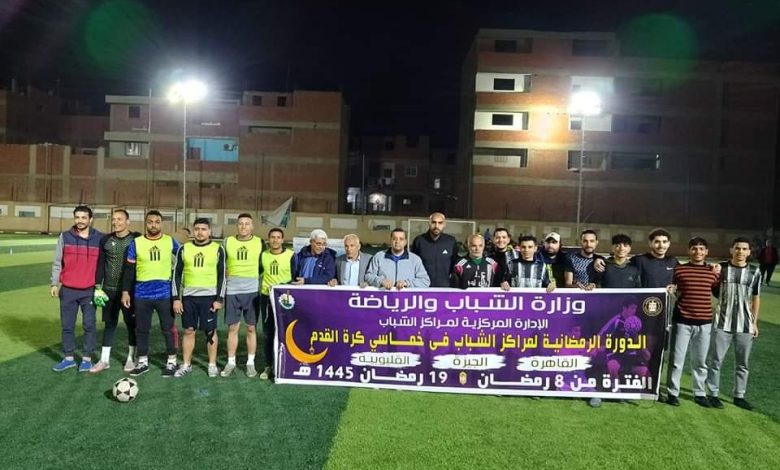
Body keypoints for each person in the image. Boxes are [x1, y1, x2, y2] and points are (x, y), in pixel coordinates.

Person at [705, 237, 762, 411]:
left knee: (742, 363)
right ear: (731, 250)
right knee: (715, 361)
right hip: (722, 322)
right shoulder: (721, 268)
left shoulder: (755, 271)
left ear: (749, 252)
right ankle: (712, 394)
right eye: (737, 248)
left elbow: (756, 298)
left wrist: (755, 323)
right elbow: (709, 283)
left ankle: (739, 396)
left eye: (744, 249)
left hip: (745, 325)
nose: (740, 252)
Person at [121, 210, 180, 376]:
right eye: (150, 222)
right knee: (141, 329)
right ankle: (143, 362)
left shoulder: (170, 241)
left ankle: (172, 362)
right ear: (145, 223)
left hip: (164, 293)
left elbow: (184, 258)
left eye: (157, 222)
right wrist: (125, 291)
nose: (153, 225)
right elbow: (129, 269)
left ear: (161, 223)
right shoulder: (136, 243)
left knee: (168, 328)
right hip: (142, 294)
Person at [665, 237, 719, 407]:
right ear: (689, 251)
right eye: (694, 248)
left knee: (700, 361)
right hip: (682, 321)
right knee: (676, 360)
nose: (698, 252)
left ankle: (699, 393)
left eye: (701, 249)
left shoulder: (712, 271)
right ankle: (673, 393)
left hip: (704, 322)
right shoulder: (679, 270)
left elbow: (718, 293)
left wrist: (719, 270)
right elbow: (672, 289)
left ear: (706, 252)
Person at [50, 205, 103, 372]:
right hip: (68, 290)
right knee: (67, 326)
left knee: (89, 325)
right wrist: (54, 283)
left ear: (90, 219)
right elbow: (57, 261)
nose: (80, 221)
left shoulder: (100, 238)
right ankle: (69, 358)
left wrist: (101, 287)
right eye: (77, 217)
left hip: (89, 290)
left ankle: (87, 359)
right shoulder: (65, 237)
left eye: (83, 218)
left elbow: (105, 264)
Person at [172, 218, 226, 378]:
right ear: (193, 231)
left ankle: (212, 365)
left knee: (210, 331)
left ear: (209, 231)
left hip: (209, 298)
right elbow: (176, 275)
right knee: (189, 330)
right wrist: (176, 298)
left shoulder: (218, 249)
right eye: (197, 229)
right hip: (189, 298)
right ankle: (186, 364)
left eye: (203, 229)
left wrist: (219, 299)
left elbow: (222, 276)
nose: (200, 232)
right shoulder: (184, 249)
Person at [90, 209, 139, 373]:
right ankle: (104, 360)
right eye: (114, 219)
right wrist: (98, 286)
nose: (116, 222)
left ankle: (131, 357)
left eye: (120, 219)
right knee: (109, 324)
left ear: (127, 222)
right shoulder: (106, 240)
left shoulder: (136, 239)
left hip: (129, 292)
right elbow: (100, 265)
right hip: (109, 290)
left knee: (131, 324)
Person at [221, 213, 264, 377]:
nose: (243, 226)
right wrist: (225, 271)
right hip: (232, 290)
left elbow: (263, 263)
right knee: (233, 328)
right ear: (237, 226)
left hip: (251, 291)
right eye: (241, 223)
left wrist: (253, 274)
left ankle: (250, 363)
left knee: (251, 328)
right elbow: (220, 262)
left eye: (247, 223)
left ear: (252, 226)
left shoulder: (260, 242)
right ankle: (231, 362)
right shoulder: (228, 242)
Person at [259, 228, 294, 380]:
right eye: (272, 237)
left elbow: (296, 277)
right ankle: (268, 366)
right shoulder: (263, 255)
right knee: (268, 333)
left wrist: (283, 286)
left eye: (278, 237)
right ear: (269, 239)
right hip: (266, 298)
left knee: (286, 332)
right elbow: (257, 272)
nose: (275, 240)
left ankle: (286, 365)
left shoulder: (291, 255)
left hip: (285, 300)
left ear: (282, 240)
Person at [366, 228, 430, 289]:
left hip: (405, 296)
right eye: (394, 239)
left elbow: (425, 281)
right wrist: (381, 281)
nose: (397, 241)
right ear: (390, 240)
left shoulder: (415, 259)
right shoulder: (379, 256)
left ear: (405, 242)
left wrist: (407, 283)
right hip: (384, 295)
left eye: (401, 239)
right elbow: (368, 276)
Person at [411, 212, 458, 287]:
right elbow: (413, 264)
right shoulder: (419, 241)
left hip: (445, 287)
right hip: (423, 287)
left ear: (444, 224)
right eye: (434, 222)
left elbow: (454, 263)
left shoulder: (451, 242)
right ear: (429, 223)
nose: (436, 226)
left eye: (440, 223)